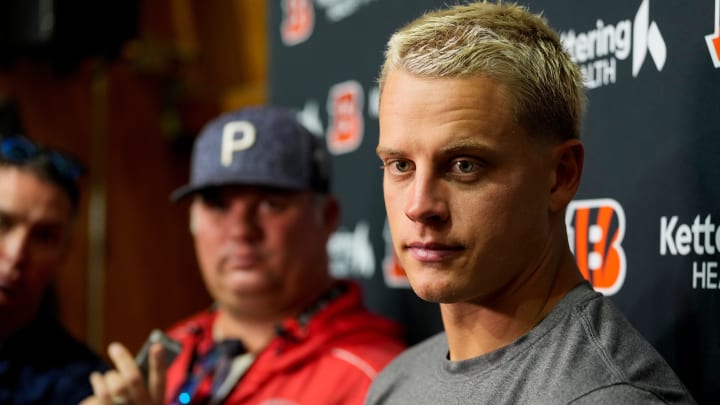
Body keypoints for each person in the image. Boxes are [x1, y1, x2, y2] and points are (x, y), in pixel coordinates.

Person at [365, 2, 696, 404]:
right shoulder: (395, 383)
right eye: (401, 165)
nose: (419, 206)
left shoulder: (605, 397)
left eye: (464, 165)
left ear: (561, 176)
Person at [82, 106, 406, 405]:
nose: (240, 230)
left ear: (328, 216)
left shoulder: (376, 380)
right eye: (217, 205)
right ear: (192, 220)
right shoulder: (168, 353)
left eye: (271, 204)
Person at [0, 134, 108, 404]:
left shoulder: (85, 387)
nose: (16, 255)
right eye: (2, 223)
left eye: (44, 236)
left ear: (64, 253)